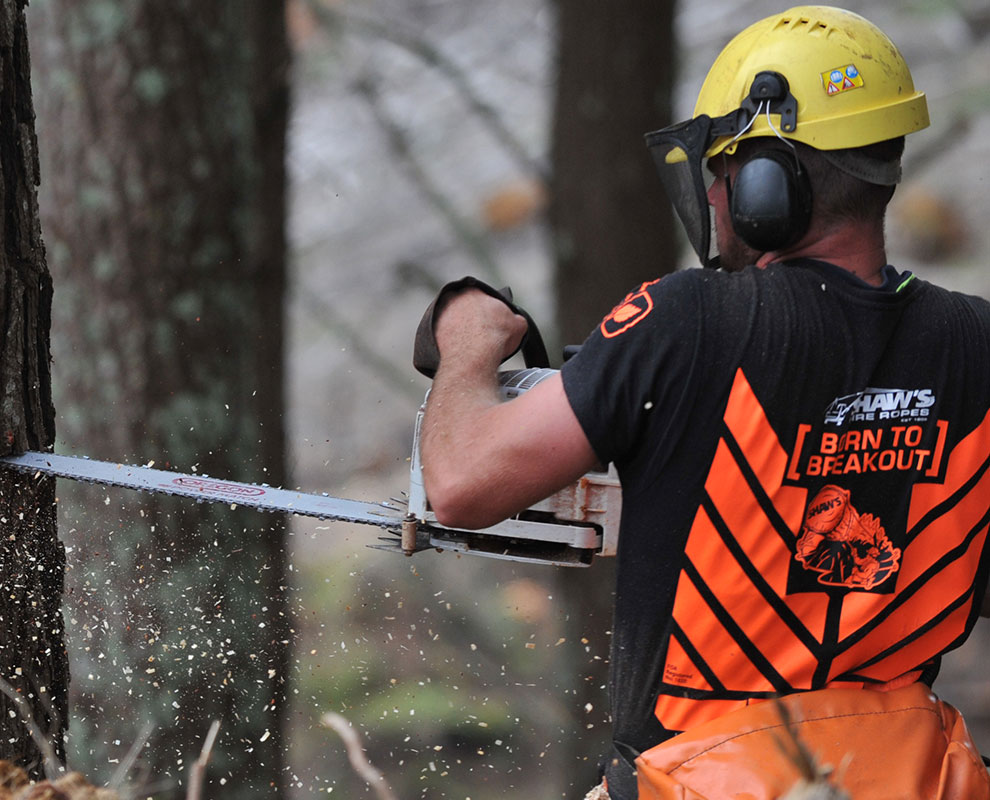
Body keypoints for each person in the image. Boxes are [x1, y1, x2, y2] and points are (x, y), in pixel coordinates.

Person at [419, 6, 990, 799]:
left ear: (766, 183)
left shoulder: (688, 322)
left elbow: (459, 483)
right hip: (912, 781)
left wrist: (467, 339)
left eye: (723, 171)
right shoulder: (976, 343)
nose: (714, 196)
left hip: (699, 780)